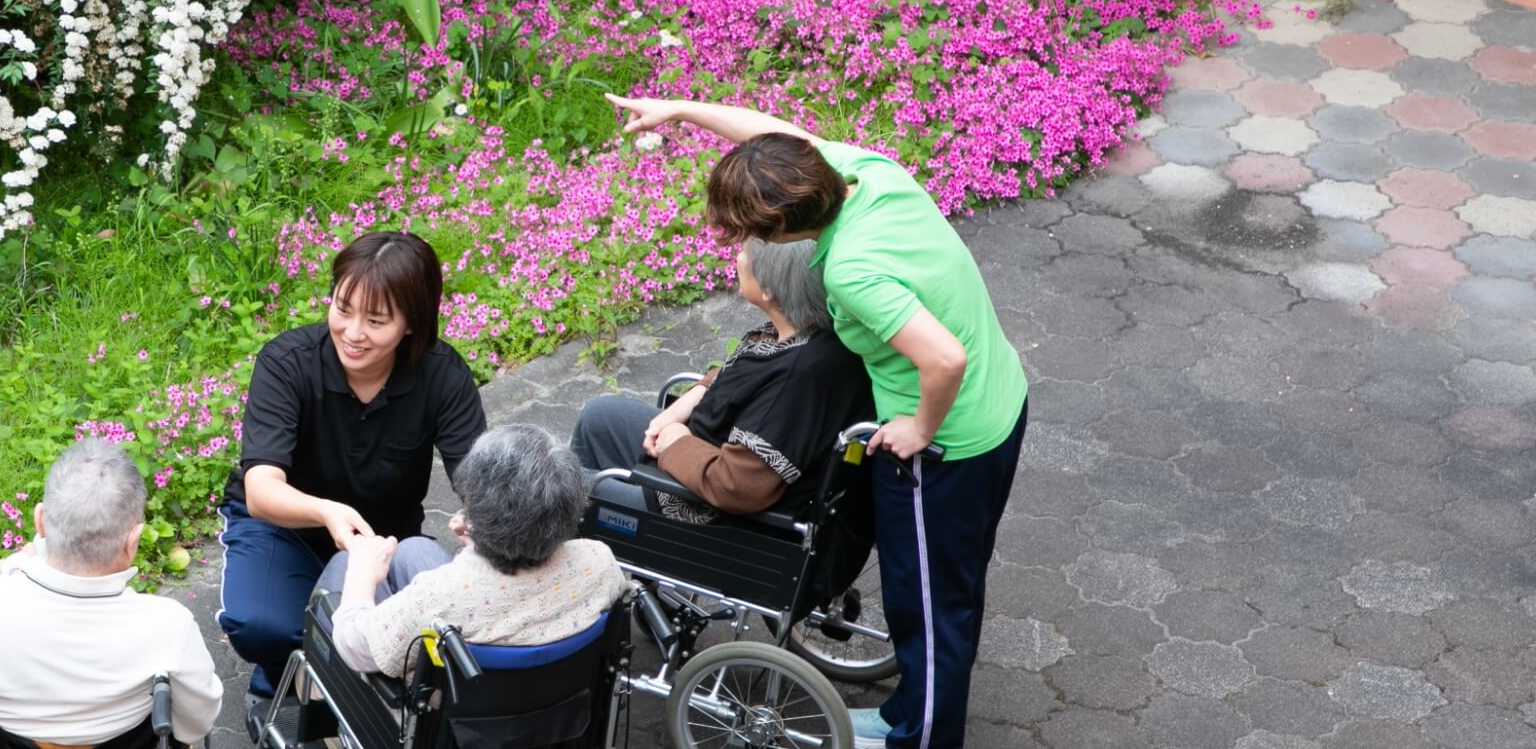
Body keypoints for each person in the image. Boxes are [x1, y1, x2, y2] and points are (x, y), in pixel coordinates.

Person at [608, 94, 1029, 749]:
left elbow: (943, 360)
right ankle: (906, 716)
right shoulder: (864, 173)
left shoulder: (851, 269)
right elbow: (777, 133)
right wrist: (680, 110)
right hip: (1004, 397)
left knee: (929, 607)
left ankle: (919, 738)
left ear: (781, 232)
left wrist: (919, 431)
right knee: (950, 586)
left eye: (748, 235)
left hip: (952, 441)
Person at [218, 231, 489, 726]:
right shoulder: (287, 363)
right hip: (286, 526)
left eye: (377, 320)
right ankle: (276, 683)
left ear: (412, 324)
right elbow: (260, 490)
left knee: (432, 625)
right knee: (264, 624)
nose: (353, 332)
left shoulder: (443, 376)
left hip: (383, 538)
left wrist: (479, 516)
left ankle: (365, 701)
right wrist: (325, 510)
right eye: (343, 309)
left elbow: (479, 479)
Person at [0, 439, 222, 748]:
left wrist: (11, 576)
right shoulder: (169, 626)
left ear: (40, 521)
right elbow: (196, 723)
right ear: (133, 540)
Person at [569, 237, 876, 522]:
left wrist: (677, 441)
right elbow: (751, 380)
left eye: (744, 252)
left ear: (770, 289)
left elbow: (739, 486)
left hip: (705, 517)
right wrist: (696, 395)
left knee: (555, 490)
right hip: (703, 458)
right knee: (598, 418)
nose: (737, 256)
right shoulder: (816, 333)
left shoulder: (798, 380)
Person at [320, 424, 630, 679]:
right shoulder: (599, 561)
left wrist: (361, 576)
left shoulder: (437, 601)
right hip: (556, 717)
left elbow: (356, 649)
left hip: (445, 724)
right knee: (415, 548)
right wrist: (486, 540)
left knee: (342, 567)